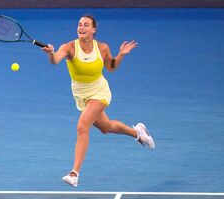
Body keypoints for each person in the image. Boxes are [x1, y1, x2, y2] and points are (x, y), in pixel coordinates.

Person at [42, 15, 155, 187]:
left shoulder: (102, 48)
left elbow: (111, 67)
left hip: (100, 91)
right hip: (81, 95)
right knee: (106, 127)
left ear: (94, 29)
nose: (81, 27)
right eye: (79, 24)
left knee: (82, 126)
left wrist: (121, 54)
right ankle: (138, 133)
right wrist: (51, 53)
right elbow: (55, 60)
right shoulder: (69, 47)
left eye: (86, 25)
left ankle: (74, 173)